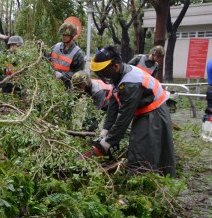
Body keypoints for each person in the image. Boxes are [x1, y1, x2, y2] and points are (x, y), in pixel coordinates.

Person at [89, 45, 175, 176]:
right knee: (139, 148)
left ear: (115, 66)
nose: (101, 76)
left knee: (141, 153)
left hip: (154, 113)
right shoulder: (118, 77)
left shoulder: (130, 83)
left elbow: (124, 117)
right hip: (145, 111)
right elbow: (113, 104)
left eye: (103, 72)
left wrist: (108, 142)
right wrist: (105, 131)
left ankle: (143, 184)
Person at [49, 22, 85, 88]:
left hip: (66, 86)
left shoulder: (78, 54)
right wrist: (41, 49)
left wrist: (63, 76)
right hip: (51, 82)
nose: (63, 37)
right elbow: (47, 57)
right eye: (63, 34)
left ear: (72, 36)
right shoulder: (56, 46)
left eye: (66, 35)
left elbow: (78, 73)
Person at [202, 58, 212, 142]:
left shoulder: (210, 60)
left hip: (210, 89)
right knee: (210, 112)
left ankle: (206, 134)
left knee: (209, 111)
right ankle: (207, 134)